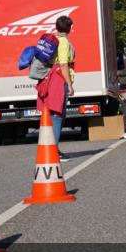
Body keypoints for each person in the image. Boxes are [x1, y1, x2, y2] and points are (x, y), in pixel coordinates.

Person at [51, 15, 75, 161]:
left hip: (51, 79)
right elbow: (64, 64)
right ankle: (54, 151)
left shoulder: (53, 39)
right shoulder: (64, 42)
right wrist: (70, 85)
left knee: (54, 114)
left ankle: (52, 148)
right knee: (58, 115)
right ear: (69, 28)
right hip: (59, 80)